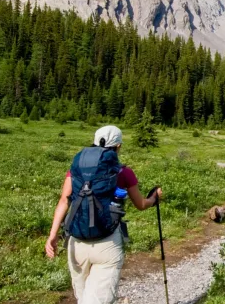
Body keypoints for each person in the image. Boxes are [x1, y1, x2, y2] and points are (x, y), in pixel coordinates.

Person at [45, 125, 163, 304]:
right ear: (118, 146)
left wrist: (52, 235)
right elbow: (140, 204)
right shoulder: (124, 172)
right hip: (107, 243)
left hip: (76, 242)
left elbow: (64, 201)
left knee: (83, 298)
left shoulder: (75, 169)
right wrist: (154, 198)